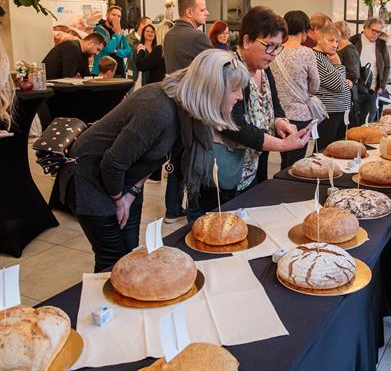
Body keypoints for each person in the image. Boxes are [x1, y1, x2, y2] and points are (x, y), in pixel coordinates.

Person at [56, 49, 249, 272]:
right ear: (212, 89)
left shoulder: (187, 109)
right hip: (89, 179)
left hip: (124, 180)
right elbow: (112, 163)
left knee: (129, 253)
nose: (239, 97)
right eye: (234, 90)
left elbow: (153, 158)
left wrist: (132, 193)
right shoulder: (156, 107)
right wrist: (120, 199)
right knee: (112, 258)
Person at [186, 7, 309, 222]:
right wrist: (281, 145)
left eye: (277, 48)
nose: (273, 54)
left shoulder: (264, 69)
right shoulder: (229, 70)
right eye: (268, 46)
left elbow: (275, 104)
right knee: (218, 228)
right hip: (224, 170)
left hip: (254, 165)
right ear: (246, 41)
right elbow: (233, 124)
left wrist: (281, 121)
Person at [162, 0, 214, 224]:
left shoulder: (170, 35)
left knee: (176, 155)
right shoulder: (196, 37)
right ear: (189, 12)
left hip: (174, 101)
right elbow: (218, 66)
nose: (207, 13)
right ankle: (194, 210)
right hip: (194, 104)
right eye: (203, 10)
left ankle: (172, 209)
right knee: (195, 156)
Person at [269, 10, 320, 169]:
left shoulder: (274, 50)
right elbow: (315, 85)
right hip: (300, 115)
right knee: (296, 163)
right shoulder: (307, 52)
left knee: (284, 158)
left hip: (278, 116)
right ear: (304, 29)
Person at [314, 24, 351, 149]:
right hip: (329, 111)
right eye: (331, 40)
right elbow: (338, 85)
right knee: (324, 149)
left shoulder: (326, 57)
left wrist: (345, 81)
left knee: (334, 148)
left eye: (337, 41)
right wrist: (339, 64)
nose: (335, 45)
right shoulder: (317, 57)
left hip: (337, 110)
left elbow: (339, 81)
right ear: (319, 39)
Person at [350, 17, 391, 122]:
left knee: (369, 120)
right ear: (365, 28)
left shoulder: (381, 44)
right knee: (354, 120)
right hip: (355, 88)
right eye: (374, 30)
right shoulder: (354, 40)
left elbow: (387, 66)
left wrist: (382, 86)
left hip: (373, 89)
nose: (376, 34)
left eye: (379, 32)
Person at [41, 33, 106, 80]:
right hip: (49, 87)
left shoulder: (84, 55)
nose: (97, 53)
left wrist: (100, 78)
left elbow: (87, 76)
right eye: (98, 49)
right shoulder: (71, 47)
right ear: (91, 43)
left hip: (58, 87)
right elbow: (67, 77)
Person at [333, 21, 361, 126]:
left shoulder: (349, 50)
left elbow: (354, 74)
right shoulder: (340, 47)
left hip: (348, 94)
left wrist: (336, 75)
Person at [92, 5, 132, 77]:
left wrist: (117, 52)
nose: (116, 18)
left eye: (119, 16)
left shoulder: (120, 32)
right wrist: (117, 34)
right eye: (113, 15)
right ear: (107, 15)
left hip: (119, 72)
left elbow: (129, 51)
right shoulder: (99, 30)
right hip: (102, 72)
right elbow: (108, 49)